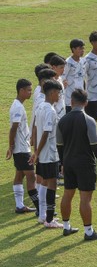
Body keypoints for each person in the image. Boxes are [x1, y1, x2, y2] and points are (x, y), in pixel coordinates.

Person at [57, 89, 97, 240]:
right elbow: (95, 145)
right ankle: (88, 232)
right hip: (85, 164)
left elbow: (59, 146)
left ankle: (66, 227)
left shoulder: (62, 121)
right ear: (86, 103)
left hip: (68, 163)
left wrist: (62, 163)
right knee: (85, 199)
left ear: (71, 102)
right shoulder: (88, 120)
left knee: (68, 194)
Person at [29, 80, 64, 228]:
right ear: (51, 93)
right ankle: (49, 220)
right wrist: (37, 151)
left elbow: (36, 130)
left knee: (43, 182)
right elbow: (45, 133)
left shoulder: (40, 107)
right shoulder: (50, 110)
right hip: (49, 153)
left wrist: (36, 151)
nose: (59, 95)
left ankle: (42, 215)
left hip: (42, 153)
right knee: (52, 184)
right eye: (58, 92)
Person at [7, 79, 39, 214]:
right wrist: (11, 146)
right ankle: (40, 208)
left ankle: (20, 206)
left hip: (21, 147)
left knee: (19, 175)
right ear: (21, 90)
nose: (30, 93)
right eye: (28, 90)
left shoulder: (18, 105)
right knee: (32, 177)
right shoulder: (18, 108)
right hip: (21, 149)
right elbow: (13, 128)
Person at [62, 39, 86, 114]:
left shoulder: (83, 61)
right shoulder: (68, 63)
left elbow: (83, 78)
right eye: (80, 48)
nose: (82, 50)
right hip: (70, 99)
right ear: (73, 49)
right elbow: (63, 78)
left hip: (81, 96)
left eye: (83, 48)